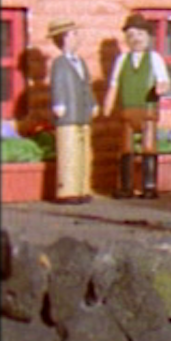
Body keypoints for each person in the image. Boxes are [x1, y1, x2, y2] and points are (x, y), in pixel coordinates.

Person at [102, 14, 171, 199]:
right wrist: (108, 104)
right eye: (131, 35)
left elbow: (164, 80)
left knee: (149, 147)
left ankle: (149, 185)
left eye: (140, 34)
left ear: (148, 36)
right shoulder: (122, 60)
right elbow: (114, 84)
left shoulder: (154, 58)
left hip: (147, 110)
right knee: (126, 148)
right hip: (127, 111)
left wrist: (161, 87)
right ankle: (126, 186)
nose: (136, 39)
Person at [47, 19, 97, 204]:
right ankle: (67, 190)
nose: (78, 37)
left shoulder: (81, 62)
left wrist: (92, 103)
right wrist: (58, 104)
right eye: (74, 34)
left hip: (82, 114)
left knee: (83, 153)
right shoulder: (59, 64)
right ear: (64, 38)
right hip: (67, 116)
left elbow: (86, 86)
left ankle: (83, 187)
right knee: (69, 153)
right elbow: (57, 86)